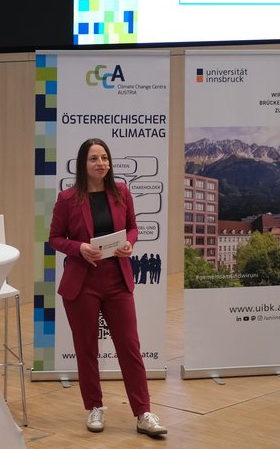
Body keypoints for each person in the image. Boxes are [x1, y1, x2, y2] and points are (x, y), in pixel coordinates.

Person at [48, 138, 167, 437]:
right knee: (86, 349)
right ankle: (94, 407)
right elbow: (55, 238)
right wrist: (79, 248)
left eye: (104, 158)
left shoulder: (121, 192)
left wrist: (129, 243)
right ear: (83, 164)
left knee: (130, 347)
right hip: (82, 284)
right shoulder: (67, 198)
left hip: (117, 281)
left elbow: (133, 227)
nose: (100, 163)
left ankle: (144, 413)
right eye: (93, 158)